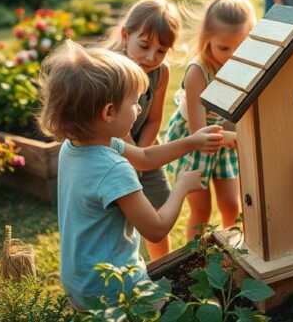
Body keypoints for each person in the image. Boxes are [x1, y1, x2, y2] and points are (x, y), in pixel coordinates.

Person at [38, 41, 224, 309]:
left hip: (79, 281)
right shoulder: (113, 169)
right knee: (181, 310)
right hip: (114, 288)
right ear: (109, 112)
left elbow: (145, 158)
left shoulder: (75, 146)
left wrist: (191, 142)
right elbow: (156, 229)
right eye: (135, 102)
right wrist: (181, 187)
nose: (138, 109)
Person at [165, 0, 254, 240]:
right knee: (201, 210)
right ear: (207, 39)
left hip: (225, 141)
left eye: (240, 47)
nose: (232, 56)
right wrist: (231, 137)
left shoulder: (245, 66)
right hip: (197, 142)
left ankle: (233, 250)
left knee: (232, 205)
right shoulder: (198, 73)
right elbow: (199, 132)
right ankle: (197, 255)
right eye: (224, 48)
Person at [102, 0, 182, 261]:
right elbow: (114, 126)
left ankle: (162, 266)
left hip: (145, 148)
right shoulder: (111, 70)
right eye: (145, 46)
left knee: (159, 208)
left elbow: (153, 120)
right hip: (109, 152)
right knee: (117, 220)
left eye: (161, 51)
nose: (151, 57)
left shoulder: (161, 72)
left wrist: (142, 157)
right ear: (126, 35)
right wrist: (135, 159)